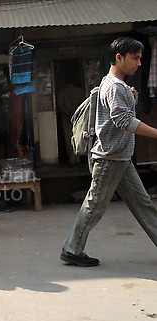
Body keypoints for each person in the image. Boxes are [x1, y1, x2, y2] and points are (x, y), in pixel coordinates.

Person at [61, 37, 157, 267]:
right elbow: (123, 120)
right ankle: (71, 249)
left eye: (140, 58)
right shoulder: (114, 86)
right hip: (109, 158)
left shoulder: (114, 85)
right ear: (119, 58)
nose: (139, 64)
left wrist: (131, 99)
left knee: (142, 202)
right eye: (135, 58)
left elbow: (119, 116)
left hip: (119, 157)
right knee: (94, 205)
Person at [57, 81, 85, 165]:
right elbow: (82, 105)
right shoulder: (80, 92)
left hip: (66, 118)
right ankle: (78, 157)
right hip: (78, 118)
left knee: (68, 138)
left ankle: (71, 158)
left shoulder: (61, 93)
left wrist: (68, 114)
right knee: (78, 137)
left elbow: (61, 106)